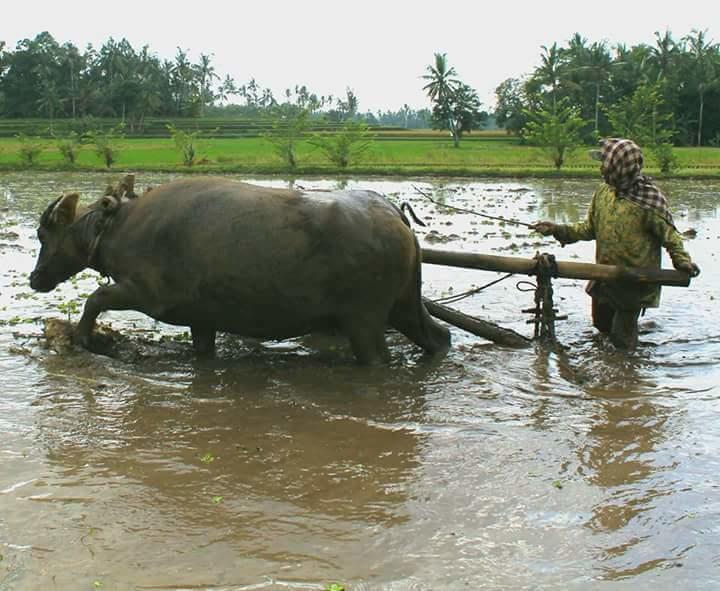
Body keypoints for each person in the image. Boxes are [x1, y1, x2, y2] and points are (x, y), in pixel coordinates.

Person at [532, 138, 700, 349]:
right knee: (601, 326)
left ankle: (628, 371)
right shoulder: (603, 193)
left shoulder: (649, 201)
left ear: (620, 169)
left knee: (622, 340)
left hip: (634, 281)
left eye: (605, 164)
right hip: (604, 277)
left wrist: (682, 261)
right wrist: (558, 230)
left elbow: (671, 236)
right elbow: (589, 228)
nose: (601, 169)